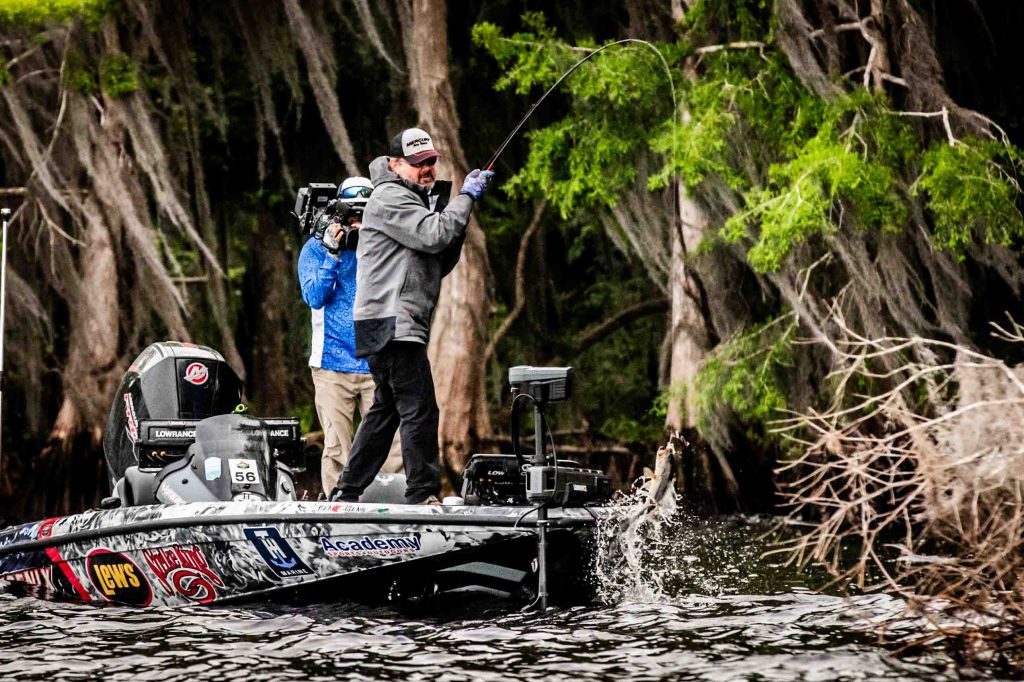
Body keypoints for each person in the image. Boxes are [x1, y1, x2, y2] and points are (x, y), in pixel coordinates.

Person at [331, 127, 493, 504]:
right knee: (420, 408)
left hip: (387, 323)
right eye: (418, 163)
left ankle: (346, 491)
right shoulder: (391, 197)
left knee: (385, 411)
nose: (427, 168)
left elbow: (439, 257)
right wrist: (465, 197)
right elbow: (434, 235)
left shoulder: (412, 201)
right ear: (394, 164)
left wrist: (458, 210)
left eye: (431, 161)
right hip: (392, 323)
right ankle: (422, 494)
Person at [298, 176, 400, 497]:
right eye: (352, 215)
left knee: (390, 445)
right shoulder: (315, 248)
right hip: (331, 363)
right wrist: (332, 254)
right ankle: (338, 508)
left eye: (364, 215)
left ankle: (395, 505)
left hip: (376, 361)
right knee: (337, 448)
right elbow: (314, 296)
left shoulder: (382, 247)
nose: (357, 223)